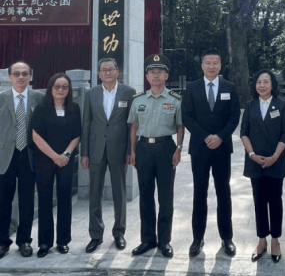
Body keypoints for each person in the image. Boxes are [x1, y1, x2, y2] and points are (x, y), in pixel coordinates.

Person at [182, 49, 240, 257]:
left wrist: (221, 137)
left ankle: (227, 238)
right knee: (200, 192)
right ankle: (197, 238)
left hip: (222, 148)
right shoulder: (192, 88)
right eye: (208, 63)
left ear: (220, 64)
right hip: (200, 148)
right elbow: (187, 117)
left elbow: (234, 117)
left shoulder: (229, 88)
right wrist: (206, 136)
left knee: (223, 192)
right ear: (202, 66)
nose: (212, 66)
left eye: (215, 63)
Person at [127, 54, 184, 258]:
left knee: (165, 196)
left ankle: (164, 241)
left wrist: (178, 148)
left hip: (166, 148)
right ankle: (147, 240)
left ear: (166, 75)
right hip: (143, 149)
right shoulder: (138, 100)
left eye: (160, 72)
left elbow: (180, 125)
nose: (156, 75)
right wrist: (132, 151)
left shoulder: (175, 100)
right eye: (152, 72)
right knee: (145, 196)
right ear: (147, 76)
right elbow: (134, 126)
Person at [81, 58, 136, 253]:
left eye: (111, 69)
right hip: (96, 150)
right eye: (103, 70)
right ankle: (95, 235)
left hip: (119, 150)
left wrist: (131, 150)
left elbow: (132, 125)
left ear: (117, 71)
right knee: (94, 192)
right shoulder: (91, 94)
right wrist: (84, 153)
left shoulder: (128, 92)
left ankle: (119, 233)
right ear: (98, 73)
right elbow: (86, 123)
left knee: (119, 191)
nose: (107, 73)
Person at [240, 69, 285, 263]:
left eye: (266, 82)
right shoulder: (250, 105)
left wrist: (275, 156)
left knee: (275, 201)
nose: (262, 85)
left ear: (273, 85)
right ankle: (261, 240)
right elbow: (244, 132)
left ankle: (275, 240)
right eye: (258, 82)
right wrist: (252, 154)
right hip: (255, 162)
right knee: (259, 201)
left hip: (275, 162)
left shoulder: (283, 105)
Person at [31, 73, 81, 258]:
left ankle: (63, 241)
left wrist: (65, 155)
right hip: (44, 160)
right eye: (57, 86)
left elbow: (77, 134)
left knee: (65, 200)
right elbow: (35, 136)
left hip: (66, 161)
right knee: (44, 200)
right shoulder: (41, 109)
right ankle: (44, 242)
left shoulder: (74, 108)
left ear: (69, 90)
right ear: (50, 88)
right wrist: (54, 156)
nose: (60, 90)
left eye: (64, 87)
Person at [0, 62, 44, 259]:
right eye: (16, 74)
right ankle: (2, 241)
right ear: (9, 76)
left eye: (24, 73)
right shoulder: (1, 99)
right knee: (3, 201)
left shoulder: (40, 99)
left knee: (27, 199)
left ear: (31, 76)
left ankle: (24, 241)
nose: (20, 77)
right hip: (5, 156)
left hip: (29, 154)